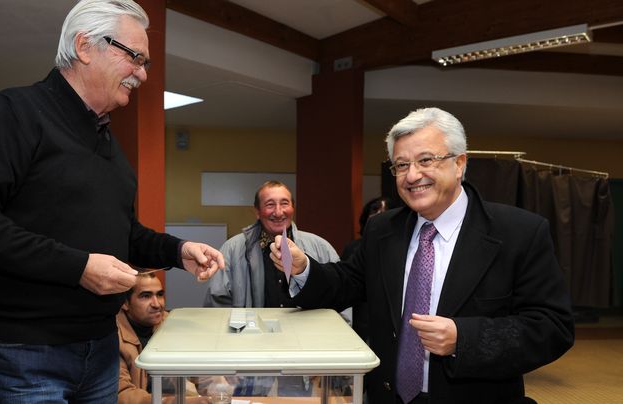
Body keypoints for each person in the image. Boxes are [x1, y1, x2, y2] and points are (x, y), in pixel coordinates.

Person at [0, 1, 224, 402]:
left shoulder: (108, 145)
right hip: (25, 356)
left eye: (146, 62)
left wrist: (179, 250)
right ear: (85, 46)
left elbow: (125, 233)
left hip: (101, 351)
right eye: (135, 57)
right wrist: (79, 267)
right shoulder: (10, 114)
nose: (142, 73)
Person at [271, 107, 574, 404]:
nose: (412, 175)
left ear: (459, 164)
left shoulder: (518, 232)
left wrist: (464, 339)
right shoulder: (382, 230)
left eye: (426, 160)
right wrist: (303, 268)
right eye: (401, 165)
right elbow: (347, 282)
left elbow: (552, 327)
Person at [203, 180, 346, 397]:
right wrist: (229, 358)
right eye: (270, 204)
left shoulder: (320, 248)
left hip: (308, 363)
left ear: (293, 208)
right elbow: (216, 307)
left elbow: (342, 303)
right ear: (257, 211)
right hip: (249, 364)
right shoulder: (232, 250)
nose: (278, 212)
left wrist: (330, 358)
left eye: (285, 203)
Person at [117, 272, 208, 404]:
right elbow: (122, 395)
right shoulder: (111, 336)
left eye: (160, 295)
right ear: (125, 303)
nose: (157, 304)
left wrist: (219, 393)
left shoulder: (170, 322)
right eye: (146, 296)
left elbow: (199, 366)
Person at [341, 196, 390, 343]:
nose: (380, 215)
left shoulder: (403, 248)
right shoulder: (354, 248)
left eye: (385, 211)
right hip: (360, 323)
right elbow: (345, 283)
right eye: (375, 211)